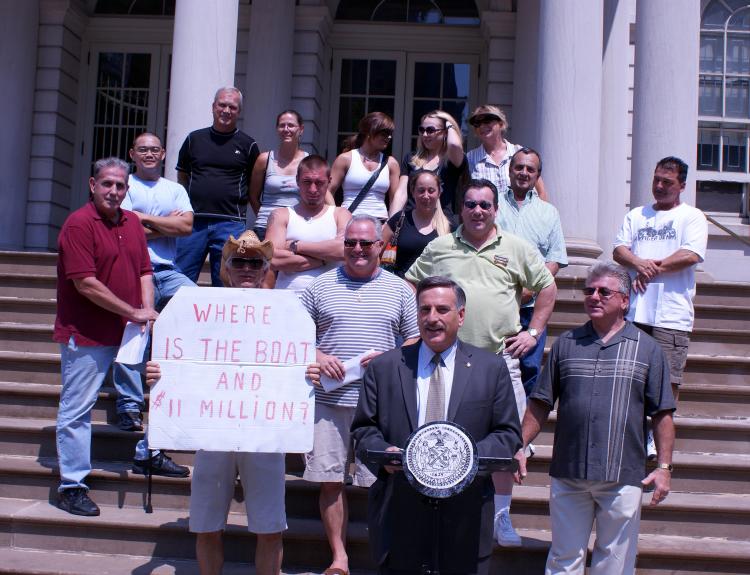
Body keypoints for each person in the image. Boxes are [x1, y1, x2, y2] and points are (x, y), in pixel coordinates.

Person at [405, 178, 557, 547]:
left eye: (485, 205)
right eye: (470, 204)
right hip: (445, 361)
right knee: (437, 437)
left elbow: (547, 286)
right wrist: (416, 329)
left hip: (498, 360)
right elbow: (410, 284)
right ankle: (432, 509)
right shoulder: (440, 247)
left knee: (505, 440)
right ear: (461, 208)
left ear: (496, 210)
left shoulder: (516, 247)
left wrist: (533, 333)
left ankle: (501, 518)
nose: (477, 211)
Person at [350, 276, 523, 575]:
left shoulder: (491, 369)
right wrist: (385, 453)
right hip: (400, 510)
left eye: (442, 309)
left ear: (461, 315)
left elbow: (507, 434)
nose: (432, 319)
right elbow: (364, 430)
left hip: (465, 513)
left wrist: (463, 458)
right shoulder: (385, 367)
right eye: (424, 310)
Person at [515, 261, 676, 575]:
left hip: (623, 474)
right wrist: (519, 444)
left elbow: (662, 414)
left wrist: (664, 467)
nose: (595, 296)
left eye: (605, 291)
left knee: (614, 565)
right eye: (589, 290)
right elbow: (540, 403)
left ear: (625, 301)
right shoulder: (566, 345)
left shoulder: (648, 350)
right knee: (563, 560)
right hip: (569, 472)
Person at [145, 230, 285, 575]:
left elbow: (294, 360)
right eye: (240, 261)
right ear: (227, 267)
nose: (248, 268)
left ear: (265, 268)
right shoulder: (200, 310)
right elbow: (181, 358)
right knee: (206, 524)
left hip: (264, 432)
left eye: (255, 262)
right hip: (213, 429)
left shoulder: (284, 312)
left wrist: (308, 371)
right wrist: (160, 371)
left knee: (269, 526)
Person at [300, 215, 420, 575]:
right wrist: (319, 356)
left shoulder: (400, 290)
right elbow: (295, 338)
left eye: (366, 243)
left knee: (382, 483)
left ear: (380, 247)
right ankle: (340, 558)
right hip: (328, 402)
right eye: (350, 242)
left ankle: (383, 555)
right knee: (330, 480)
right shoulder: (317, 288)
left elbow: (414, 340)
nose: (357, 250)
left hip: (379, 407)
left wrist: (390, 358)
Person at [54, 157, 159, 516]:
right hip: (86, 333)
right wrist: (133, 312)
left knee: (157, 393)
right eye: (107, 184)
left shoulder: (131, 223)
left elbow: (146, 270)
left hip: (129, 332)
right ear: (92, 185)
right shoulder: (78, 225)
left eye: (120, 185)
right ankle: (72, 484)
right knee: (77, 409)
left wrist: (146, 313)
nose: (114, 191)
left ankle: (151, 453)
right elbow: (86, 284)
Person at [110, 132, 192, 476]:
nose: (148, 154)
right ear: (132, 153)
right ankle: (129, 404)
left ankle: (182, 382)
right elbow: (124, 231)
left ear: (162, 155)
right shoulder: (120, 185)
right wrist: (166, 224)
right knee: (133, 335)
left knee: (195, 305)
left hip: (167, 271)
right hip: (129, 271)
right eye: (142, 149)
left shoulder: (175, 189)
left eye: (154, 150)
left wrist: (146, 222)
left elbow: (187, 226)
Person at [613, 156, 707, 405]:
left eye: (667, 182)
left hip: (672, 315)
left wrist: (649, 268)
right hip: (634, 311)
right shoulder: (636, 215)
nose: (659, 186)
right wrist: (638, 263)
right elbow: (619, 250)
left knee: (667, 380)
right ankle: (633, 431)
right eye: (656, 180)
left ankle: (655, 438)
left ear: (682, 186)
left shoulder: (692, 216)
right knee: (630, 375)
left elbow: (691, 254)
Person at [497, 148, 567, 394]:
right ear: (509, 170)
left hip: (531, 310)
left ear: (538, 175)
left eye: (530, 169)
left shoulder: (548, 212)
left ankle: (520, 431)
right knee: (492, 370)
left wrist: (529, 290)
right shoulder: (490, 205)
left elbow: (555, 260)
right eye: (519, 167)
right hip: (495, 305)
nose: (524, 172)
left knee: (528, 371)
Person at [175, 86, 260, 286]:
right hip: (194, 222)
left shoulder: (248, 145)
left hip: (230, 222)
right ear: (213, 107)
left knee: (225, 281)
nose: (226, 110)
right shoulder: (193, 139)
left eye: (232, 107)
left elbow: (254, 184)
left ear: (239, 112)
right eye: (222, 105)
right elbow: (183, 175)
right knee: (180, 278)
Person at [265, 155, 351, 295]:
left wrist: (296, 245)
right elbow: (272, 259)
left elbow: (344, 250)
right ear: (297, 181)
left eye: (319, 182)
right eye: (307, 182)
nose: (312, 189)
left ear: (329, 182)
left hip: (330, 299)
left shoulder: (340, 214)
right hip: (289, 298)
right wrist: (326, 258)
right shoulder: (281, 215)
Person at [391, 109, 467, 217]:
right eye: (422, 130)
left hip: (442, 223)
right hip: (412, 222)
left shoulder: (452, 160)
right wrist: (392, 222)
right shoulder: (411, 158)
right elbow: (401, 193)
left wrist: (449, 125)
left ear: (445, 132)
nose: (425, 134)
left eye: (430, 130)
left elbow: (454, 145)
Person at [381, 170, 455, 278]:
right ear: (413, 192)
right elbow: (376, 251)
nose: (426, 196)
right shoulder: (399, 219)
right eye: (421, 190)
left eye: (431, 191)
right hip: (400, 288)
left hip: (433, 290)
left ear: (439, 193)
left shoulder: (450, 225)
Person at [248, 109, 309, 240]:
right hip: (265, 227)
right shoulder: (264, 159)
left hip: (296, 227)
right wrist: (268, 217)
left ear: (301, 129)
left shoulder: (308, 162)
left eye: (291, 125)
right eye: (282, 125)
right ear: (277, 129)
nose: (286, 129)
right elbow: (253, 196)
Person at [466, 105, 548, 202]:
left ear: (501, 123)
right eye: (477, 124)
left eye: (487, 121)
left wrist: (541, 216)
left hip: (524, 215)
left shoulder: (520, 153)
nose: (482, 126)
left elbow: (541, 191)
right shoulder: (470, 159)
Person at [328, 112, 401, 220]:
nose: (389, 137)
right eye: (385, 133)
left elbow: (395, 199)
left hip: (380, 222)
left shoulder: (391, 163)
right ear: (369, 132)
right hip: (350, 221)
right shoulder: (346, 159)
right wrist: (337, 216)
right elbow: (327, 190)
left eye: (390, 133)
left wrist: (391, 224)